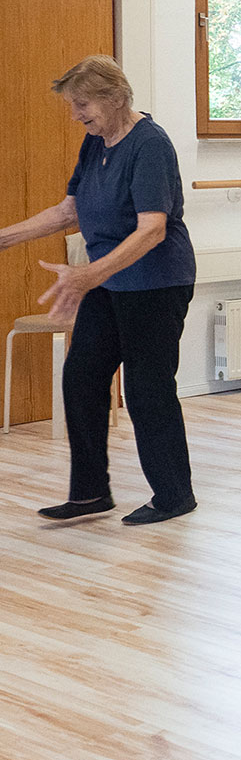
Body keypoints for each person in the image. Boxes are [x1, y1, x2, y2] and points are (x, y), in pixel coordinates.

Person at [0, 54, 197, 526]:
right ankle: (90, 494)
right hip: (109, 281)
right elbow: (69, 211)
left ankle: (174, 495)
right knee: (82, 376)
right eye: (73, 105)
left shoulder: (150, 144)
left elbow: (152, 229)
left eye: (82, 104)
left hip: (156, 282)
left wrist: (88, 274)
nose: (75, 115)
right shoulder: (96, 142)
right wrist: (4, 238)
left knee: (147, 388)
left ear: (115, 98)